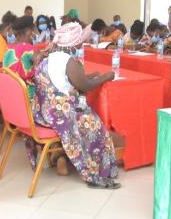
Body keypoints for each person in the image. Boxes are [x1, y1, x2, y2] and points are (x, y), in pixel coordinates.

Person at [32, 23, 120, 189]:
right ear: (74, 43)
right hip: (59, 116)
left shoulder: (50, 57)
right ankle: (95, 171)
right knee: (95, 125)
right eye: (81, 40)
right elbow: (85, 86)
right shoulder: (69, 61)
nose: (82, 43)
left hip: (43, 112)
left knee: (85, 110)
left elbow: (64, 80)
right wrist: (106, 77)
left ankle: (61, 157)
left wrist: (86, 76)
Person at [3, 16, 41, 98]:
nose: (33, 34)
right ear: (28, 32)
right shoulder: (29, 49)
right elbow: (40, 69)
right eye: (32, 31)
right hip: (26, 95)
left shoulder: (8, 48)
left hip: (9, 95)